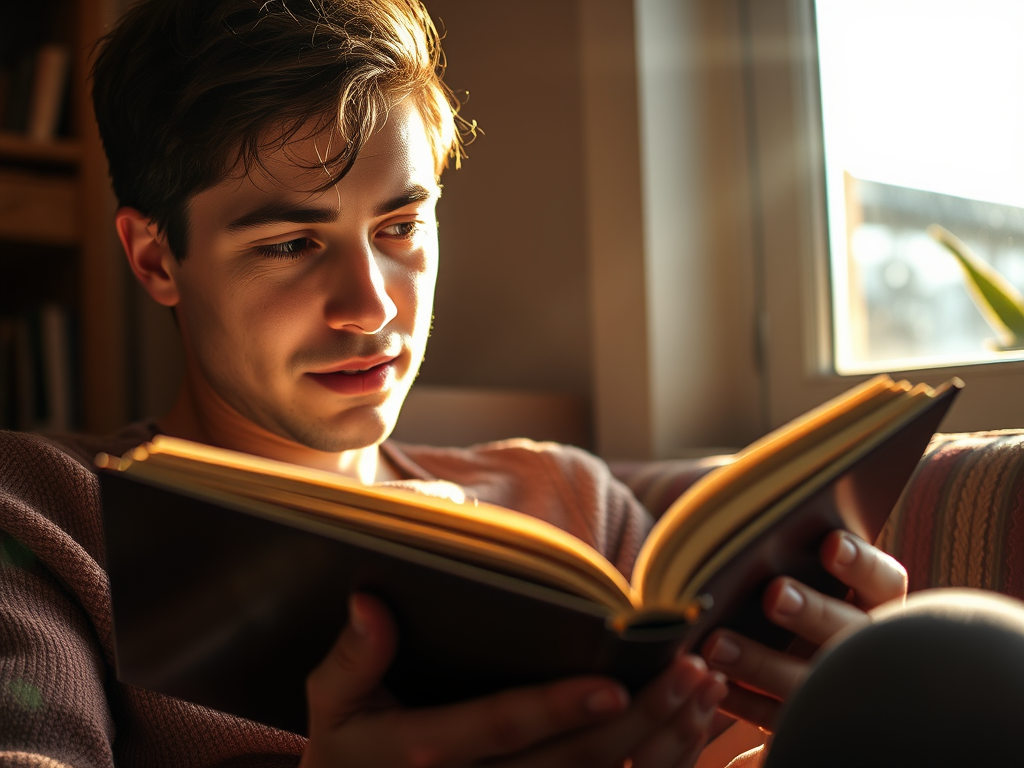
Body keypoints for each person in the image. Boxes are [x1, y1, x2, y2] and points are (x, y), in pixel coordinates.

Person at [0, 1, 908, 766]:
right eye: (288, 245)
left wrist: (843, 719)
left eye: (400, 227)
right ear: (156, 259)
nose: (370, 305)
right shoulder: (51, 514)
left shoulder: (570, 508)